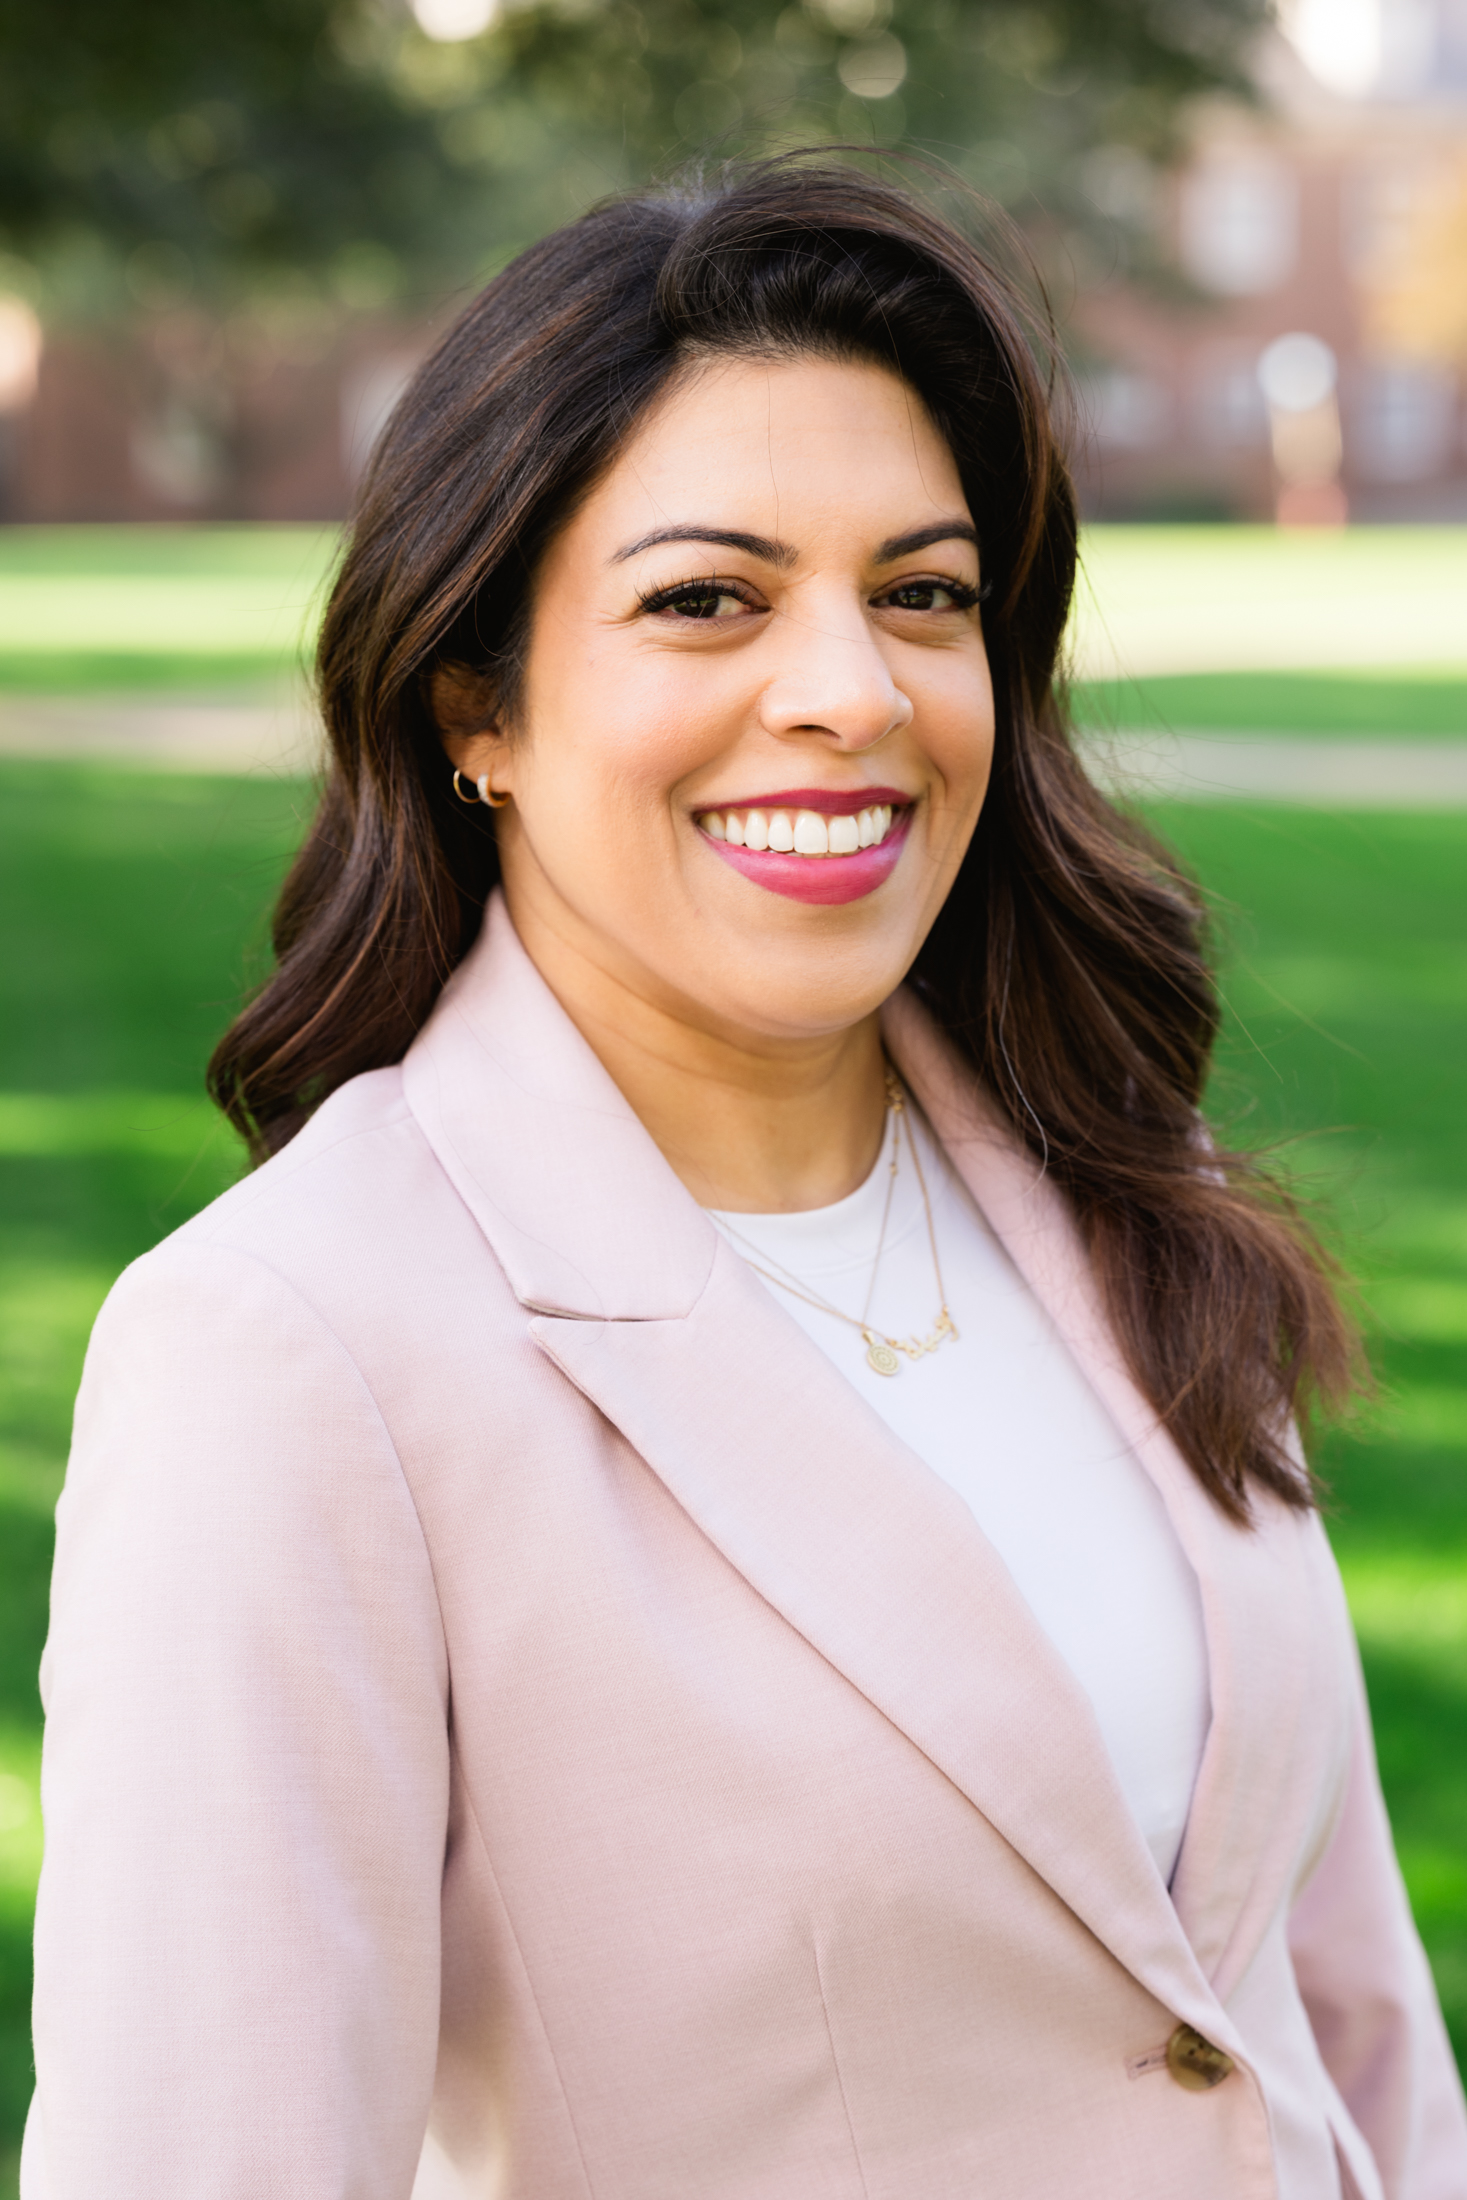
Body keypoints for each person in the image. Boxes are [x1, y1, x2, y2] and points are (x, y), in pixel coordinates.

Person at [24, 159, 1467, 2200]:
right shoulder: (290, 1351)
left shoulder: (1123, 1176)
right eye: (706, 596)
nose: (851, 691)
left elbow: (1335, 2014)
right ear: (476, 704)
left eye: (923, 591)